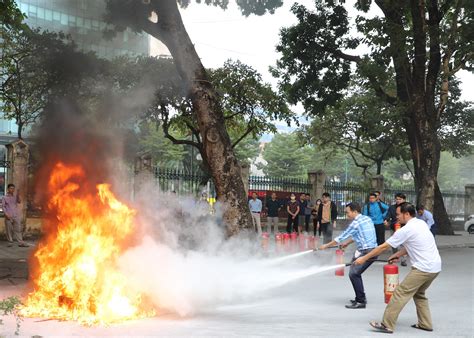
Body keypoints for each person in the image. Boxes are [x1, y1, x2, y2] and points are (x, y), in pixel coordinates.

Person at [354, 202, 442, 334]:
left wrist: (363, 258)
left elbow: (383, 247)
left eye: (398, 214)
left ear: (407, 214)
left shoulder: (406, 229)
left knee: (400, 293)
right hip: (435, 267)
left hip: (423, 268)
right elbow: (412, 245)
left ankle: (387, 324)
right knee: (419, 294)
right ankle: (425, 323)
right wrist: (397, 254)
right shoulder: (420, 224)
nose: (396, 217)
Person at [319, 202, 378, 309]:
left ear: (355, 211)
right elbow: (358, 235)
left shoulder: (356, 223)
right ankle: (360, 297)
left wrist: (326, 246)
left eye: (348, 212)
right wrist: (347, 243)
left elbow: (341, 237)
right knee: (355, 273)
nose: (347, 215)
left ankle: (361, 301)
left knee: (354, 274)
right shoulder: (366, 219)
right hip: (368, 250)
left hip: (367, 252)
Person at [384, 193, 408, 266]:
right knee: (393, 243)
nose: (398, 201)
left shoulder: (408, 207)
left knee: (404, 244)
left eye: (400, 199)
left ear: (404, 199)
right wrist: (386, 220)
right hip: (394, 227)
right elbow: (388, 215)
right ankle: (395, 256)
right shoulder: (392, 207)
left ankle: (404, 259)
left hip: (405, 228)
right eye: (397, 199)